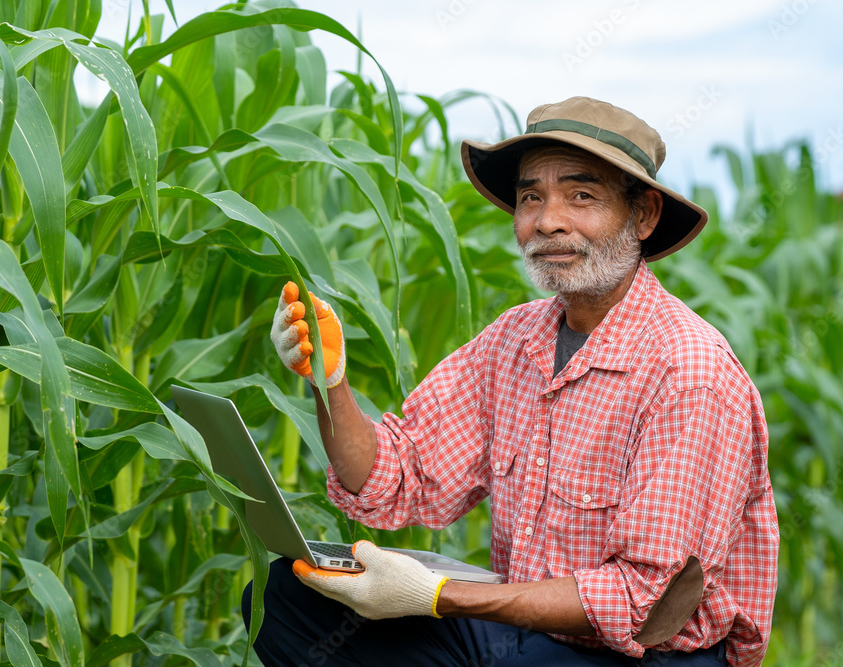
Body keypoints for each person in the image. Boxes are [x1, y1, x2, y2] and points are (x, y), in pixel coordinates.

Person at [246, 97, 779, 666]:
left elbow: (639, 603)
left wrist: (437, 597)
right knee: (283, 599)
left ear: (644, 215)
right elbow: (397, 476)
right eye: (531, 197)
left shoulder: (689, 371)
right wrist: (331, 382)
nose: (547, 220)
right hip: (532, 637)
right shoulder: (515, 341)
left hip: (650, 656)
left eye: (581, 195)